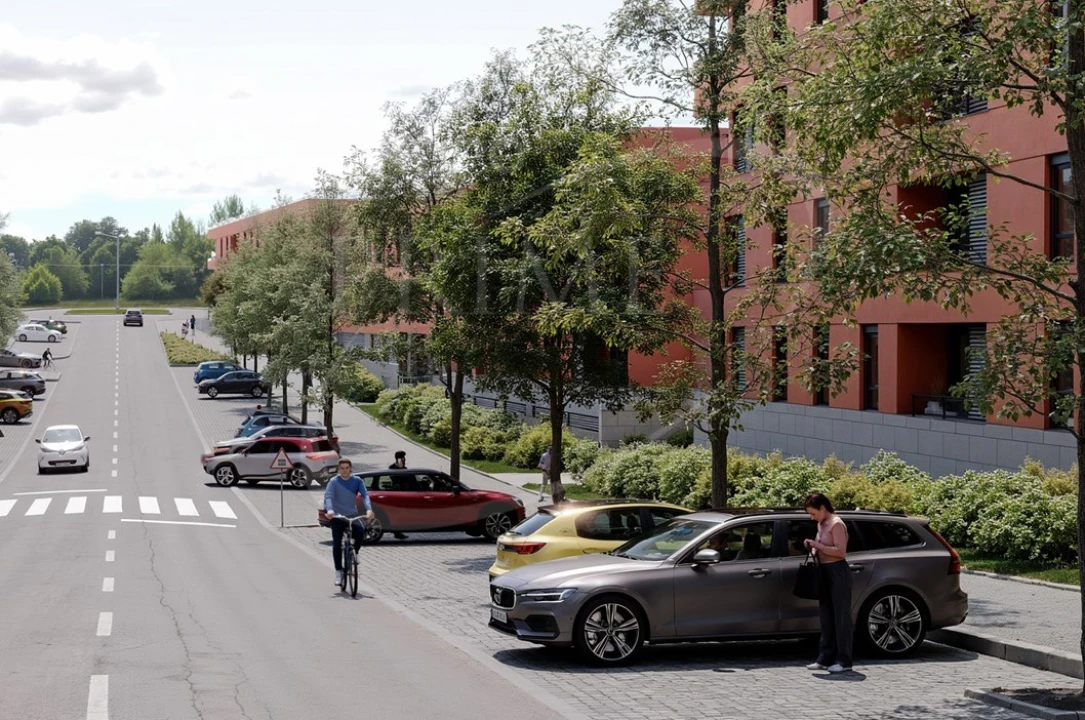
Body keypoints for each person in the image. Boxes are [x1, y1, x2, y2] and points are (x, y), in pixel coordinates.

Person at [802, 492, 853, 674]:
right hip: (823, 571)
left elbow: (840, 551)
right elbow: (819, 546)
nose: (812, 517)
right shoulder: (821, 524)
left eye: (813, 513)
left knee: (841, 617)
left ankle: (844, 660)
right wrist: (812, 548)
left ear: (822, 508)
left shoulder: (836, 523)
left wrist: (818, 547)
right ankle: (824, 658)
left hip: (837, 571)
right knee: (826, 617)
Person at [323, 458, 375, 586]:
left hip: (352, 514)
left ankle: (355, 553)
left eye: (347, 468)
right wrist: (329, 510)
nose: (345, 471)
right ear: (339, 469)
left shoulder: (357, 481)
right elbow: (328, 496)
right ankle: (338, 572)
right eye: (342, 468)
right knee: (336, 544)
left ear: (350, 468)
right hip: (337, 516)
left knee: (360, 531)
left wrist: (369, 509)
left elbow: (365, 495)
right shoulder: (334, 482)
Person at [388, 451, 408, 539]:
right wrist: (400, 465)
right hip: (396, 494)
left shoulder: (405, 468)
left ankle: (398, 531)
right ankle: (397, 531)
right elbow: (396, 478)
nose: (405, 459)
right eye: (403, 457)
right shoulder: (393, 468)